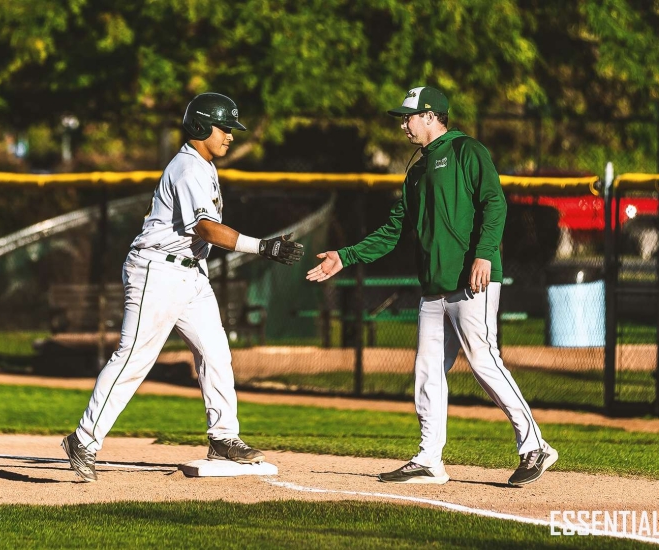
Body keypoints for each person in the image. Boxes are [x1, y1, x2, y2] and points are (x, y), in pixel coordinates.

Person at [306, 86, 557, 487]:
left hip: (471, 280)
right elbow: (392, 231)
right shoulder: (417, 169)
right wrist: (346, 256)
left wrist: (485, 253)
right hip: (434, 288)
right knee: (426, 371)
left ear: (430, 116)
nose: (403, 125)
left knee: (483, 361)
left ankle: (535, 448)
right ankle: (428, 459)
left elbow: (495, 202)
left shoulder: (466, 151)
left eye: (408, 117)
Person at [62, 92, 304, 482]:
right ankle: (83, 440)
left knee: (216, 353)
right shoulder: (189, 167)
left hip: (190, 273)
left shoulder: (204, 165)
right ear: (200, 126)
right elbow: (205, 228)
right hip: (157, 271)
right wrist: (262, 246)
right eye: (223, 128)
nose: (229, 135)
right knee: (133, 358)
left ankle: (223, 437)